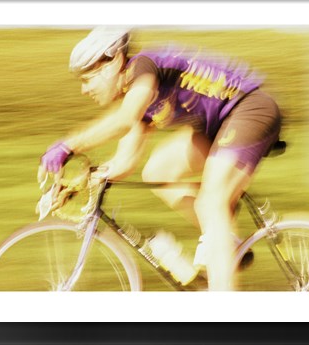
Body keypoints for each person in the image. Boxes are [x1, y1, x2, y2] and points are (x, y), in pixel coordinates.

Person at [39, 26, 281, 291]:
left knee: (211, 201)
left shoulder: (142, 67)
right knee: (156, 172)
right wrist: (75, 186)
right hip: (218, 128)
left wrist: (68, 145)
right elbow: (123, 164)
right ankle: (223, 238)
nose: (84, 90)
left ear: (114, 62)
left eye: (87, 79)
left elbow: (125, 119)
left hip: (249, 109)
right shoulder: (137, 99)